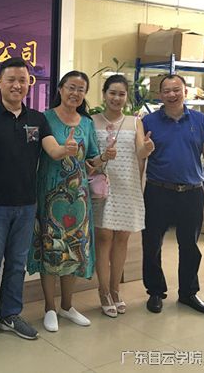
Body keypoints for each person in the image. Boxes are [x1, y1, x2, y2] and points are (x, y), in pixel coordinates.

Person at [0, 58, 79, 347]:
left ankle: (10, 315)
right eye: (11, 79)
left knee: (17, 264)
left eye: (23, 80)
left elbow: (53, 150)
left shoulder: (38, 119)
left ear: (29, 84)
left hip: (26, 205)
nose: (17, 85)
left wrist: (66, 149)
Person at [26, 71, 116, 333]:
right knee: (51, 248)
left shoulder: (86, 123)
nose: (75, 93)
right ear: (61, 89)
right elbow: (37, 153)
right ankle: (49, 308)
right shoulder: (44, 118)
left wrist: (105, 157)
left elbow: (90, 162)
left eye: (81, 89)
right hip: (49, 194)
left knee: (73, 249)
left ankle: (67, 306)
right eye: (71, 87)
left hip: (78, 198)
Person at [142, 74, 204, 315]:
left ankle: (188, 293)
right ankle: (155, 291)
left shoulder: (199, 120)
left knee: (189, 245)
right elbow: (141, 153)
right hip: (158, 191)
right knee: (152, 244)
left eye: (176, 89)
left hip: (192, 192)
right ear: (160, 95)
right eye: (166, 90)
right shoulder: (148, 121)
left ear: (185, 92)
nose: (172, 94)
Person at [90, 75, 155, 317]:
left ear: (126, 97)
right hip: (102, 186)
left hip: (128, 186)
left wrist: (147, 148)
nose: (116, 98)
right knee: (104, 237)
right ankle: (103, 291)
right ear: (104, 94)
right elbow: (88, 158)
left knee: (121, 240)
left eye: (121, 94)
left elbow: (140, 151)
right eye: (112, 93)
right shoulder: (91, 121)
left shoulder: (134, 122)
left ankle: (116, 290)